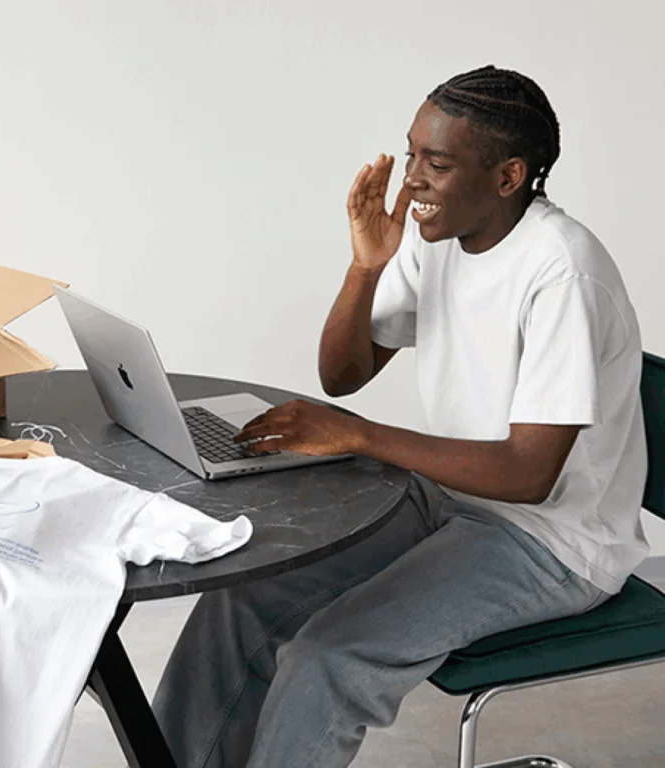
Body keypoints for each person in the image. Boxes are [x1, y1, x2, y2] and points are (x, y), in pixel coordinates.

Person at [150, 64, 649, 768]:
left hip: (552, 543)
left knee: (330, 656)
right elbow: (343, 374)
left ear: (508, 177)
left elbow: (530, 476)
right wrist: (366, 267)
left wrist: (358, 438)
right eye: (410, 152)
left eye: (436, 163)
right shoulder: (437, 240)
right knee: (239, 605)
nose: (411, 178)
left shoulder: (562, 273)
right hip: (447, 500)